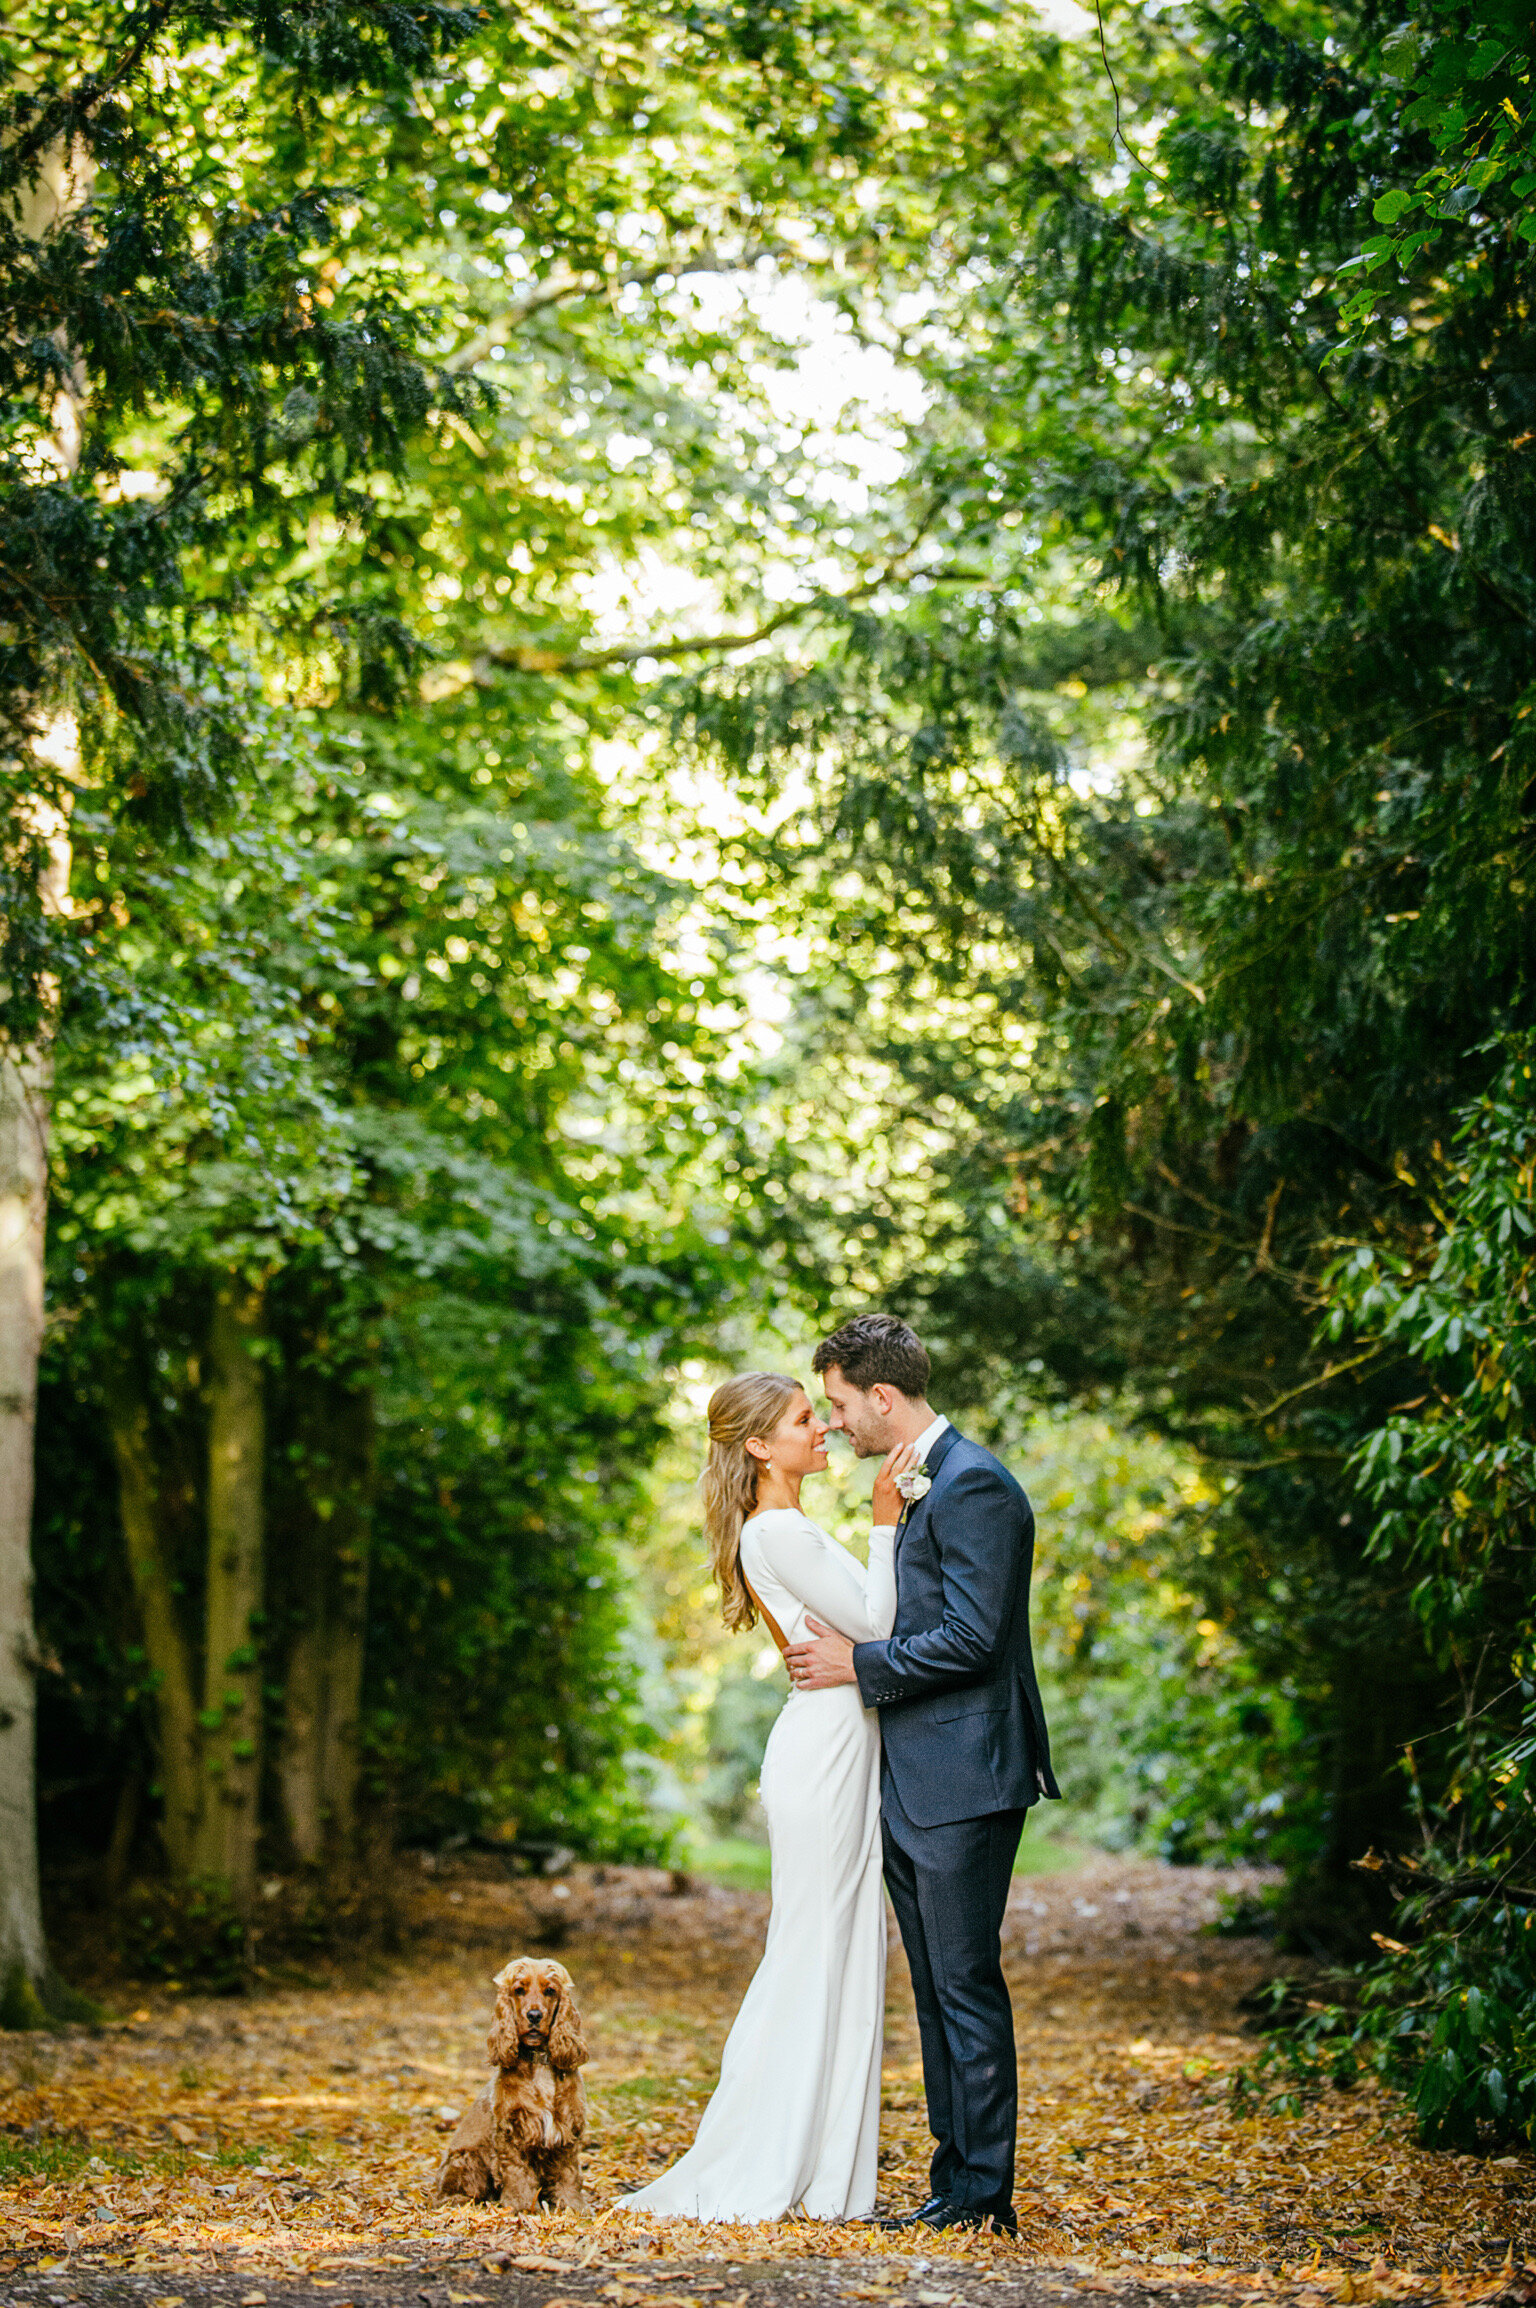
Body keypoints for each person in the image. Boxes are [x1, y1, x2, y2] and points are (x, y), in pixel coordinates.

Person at [784, 1312, 1059, 2237]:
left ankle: (984, 2198)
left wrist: (855, 1667)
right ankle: (955, 2187)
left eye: (839, 1405)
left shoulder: (977, 1485)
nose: (834, 1425)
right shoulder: (917, 1489)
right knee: (937, 1990)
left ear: (883, 1397)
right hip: (913, 1777)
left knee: (966, 1983)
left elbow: (974, 1641)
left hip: (968, 1774)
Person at [616, 1369, 905, 2223]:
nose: (823, 1429)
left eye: (819, 1415)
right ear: (758, 1444)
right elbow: (880, 1629)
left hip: (839, 1744)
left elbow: (862, 1632)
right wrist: (887, 1528)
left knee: (834, 1953)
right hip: (822, 1753)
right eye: (805, 1418)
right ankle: (770, 2158)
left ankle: (822, 2168)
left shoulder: (788, 1527)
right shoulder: (776, 1532)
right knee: (810, 1954)